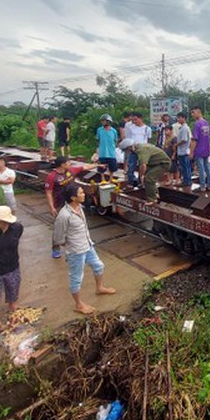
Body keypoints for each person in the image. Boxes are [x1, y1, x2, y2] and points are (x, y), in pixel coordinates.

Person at [53, 184, 116, 315]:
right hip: (76, 251)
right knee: (76, 278)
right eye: (81, 193)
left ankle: (99, 288)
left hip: (87, 245)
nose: (84, 194)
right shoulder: (64, 215)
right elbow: (58, 238)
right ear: (73, 197)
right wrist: (70, 246)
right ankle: (78, 305)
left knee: (99, 266)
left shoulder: (79, 207)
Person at [118, 139, 170, 205]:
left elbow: (143, 165)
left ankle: (152, 199)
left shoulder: (141, 150)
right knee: (150, 178)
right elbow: (141, 165)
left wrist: (142, 176)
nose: (127, 152)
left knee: (149, 178)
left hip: (163, 163)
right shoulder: (138, 148)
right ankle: (155, 194)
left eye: (126, 150)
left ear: (129, 147)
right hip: (155, 163)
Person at [124, 112, 152, 187]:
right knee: (131, 166)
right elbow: (128, 138)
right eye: (133, 120)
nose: (134, 121)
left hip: (143, 150)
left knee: (142, 167)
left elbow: (148, 140)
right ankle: (130, 182)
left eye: (136, 119)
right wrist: (130, 147)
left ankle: (140, 182)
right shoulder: (131, 127)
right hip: (133, 149)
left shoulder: (147, 129)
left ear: (140, 118)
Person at [190, 106, 210, 192]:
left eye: (193, 112)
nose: (192, 114)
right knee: (207, 167)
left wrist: (192, 152)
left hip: (199, 149)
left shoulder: (197, 124)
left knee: (201, 169)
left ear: (198, 112)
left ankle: (202, 187)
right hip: (206, 149)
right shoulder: (206, 123)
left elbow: (195, 139)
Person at [174, 112, 192, 187]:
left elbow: (184, 139)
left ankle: (186, 182)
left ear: (183, 118)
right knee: (185, 167)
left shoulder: (185, 128)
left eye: (179, 118)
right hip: (182, 151)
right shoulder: (182, 127)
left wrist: (176, 144)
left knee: (185, 167)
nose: (178, 119)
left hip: (183, 151)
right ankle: (187, 181)